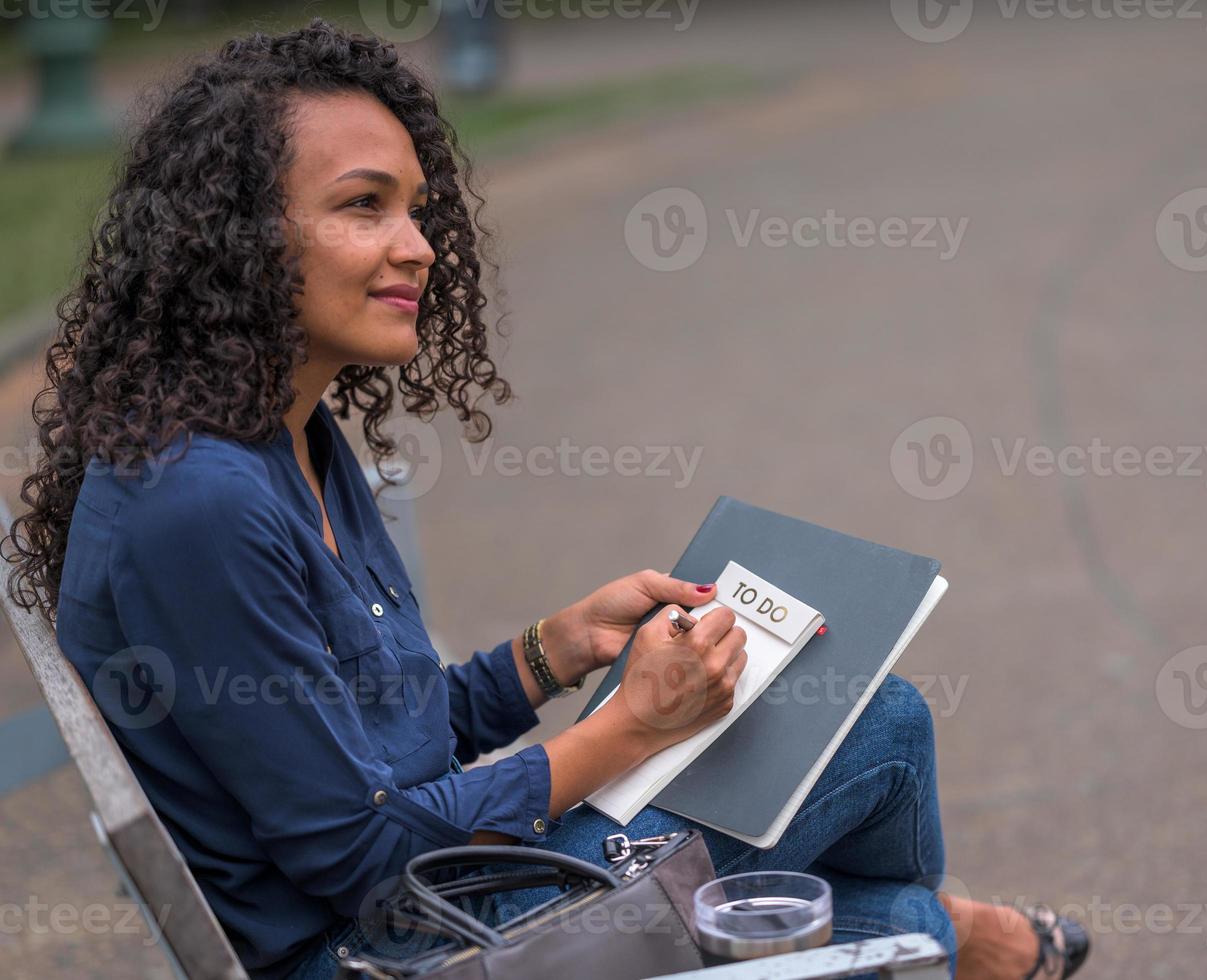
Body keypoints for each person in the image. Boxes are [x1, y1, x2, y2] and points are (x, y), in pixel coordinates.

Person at [2, 19, 1088, 980]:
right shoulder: (199, 502)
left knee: (843, 721)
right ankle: (945, 942)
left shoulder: (291, 436)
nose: (419, 246)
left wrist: (550, 651)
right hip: (392, 946)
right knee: (873, 723)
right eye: (362, 207)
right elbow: (368, 854)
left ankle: (931, 938)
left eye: (417, 209)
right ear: (233, 241)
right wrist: (627, 724)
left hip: (430, 896)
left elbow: (393, 740)